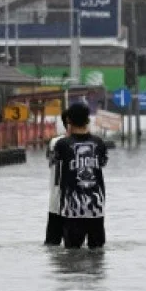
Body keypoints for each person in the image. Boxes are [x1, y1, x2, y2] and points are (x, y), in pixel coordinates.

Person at [53, 102, 110, 249]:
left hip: (71, 208)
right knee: (97, 254)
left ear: (68, 121)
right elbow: (102, 163)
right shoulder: (99, 143)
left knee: (72, 255)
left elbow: (55, 164)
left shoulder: (62, 144)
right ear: (88, 120)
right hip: (96, 206)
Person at [44, 108, 70, 245]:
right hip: (70, 204)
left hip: (55, 202)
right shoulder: (61, 143)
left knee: (52, 244)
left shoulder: (54, 142)